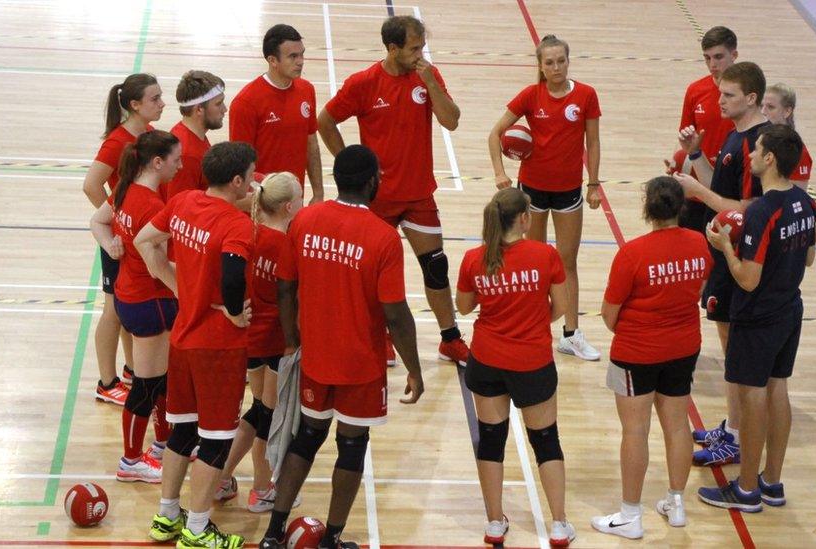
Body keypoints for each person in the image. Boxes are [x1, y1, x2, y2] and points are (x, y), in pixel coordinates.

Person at [257, 145, 425, 549]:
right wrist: (415, 369)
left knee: (307, 438)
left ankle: (273, 533)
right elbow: (396, 315)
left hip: (315, 356)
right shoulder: (384, 238)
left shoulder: (304, 220)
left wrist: (292, 339)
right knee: (351, 445)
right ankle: (332, 538)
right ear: (372, 182)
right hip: (361, 365)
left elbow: (285, 286)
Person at [317, 15, 468, 367]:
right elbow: (325, 121)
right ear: (392, 48)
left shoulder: (426, 75)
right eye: (414, 48)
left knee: (436, 268)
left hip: (418, 197)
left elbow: (452, 120)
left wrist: (431, 81)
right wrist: (351, 165)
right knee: (374, 276)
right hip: (377, 200)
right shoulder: (364, 83)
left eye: (422, 47)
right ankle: (379, 336)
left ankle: (450, 339)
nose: (420, 54)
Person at [135, 142, 257, 549]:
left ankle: (167, 516)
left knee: (182, 432)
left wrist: (182, 289)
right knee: (217, 439)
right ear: (237, 180)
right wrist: (234, 311)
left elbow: (144, 240)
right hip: (217, 347)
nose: (255, 180)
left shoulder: (185, 201)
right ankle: (199, 529)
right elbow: (234, 276)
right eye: (252, 175)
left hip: (183, 338)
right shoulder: (236, 225)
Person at [698, 125, 816, 512]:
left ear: (770, 160)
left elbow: (747, 279)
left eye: (757, 150)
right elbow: (810, 257)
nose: (749, 155)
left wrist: (725, 248)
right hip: (789, 309)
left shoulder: (763, 212)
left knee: (752, 399)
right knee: (778, 389)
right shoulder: (804, 202)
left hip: (758, 315)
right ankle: (772, 481)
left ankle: (746, 489)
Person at [591, 177, 711, 539]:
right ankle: (676, 504)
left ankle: (630, 515)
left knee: (635, 430)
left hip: (636, 352)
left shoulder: (633, 253)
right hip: (684, 347)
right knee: (677, 426)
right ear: (681, 207)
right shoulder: (699, 244)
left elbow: (609, 313)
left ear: (648, 210)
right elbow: (698, 290)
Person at [455, 188, 574, 547]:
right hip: (533, 361)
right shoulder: (544, 255)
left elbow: (462, 307)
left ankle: (494, 523)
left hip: (487, 360)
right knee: (546, 440)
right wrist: (535, 322)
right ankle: (558, 526)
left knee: (491, 442)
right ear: (524, 219)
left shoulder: (475, 258)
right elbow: (561, 306)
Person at [673, 61, 771, 467]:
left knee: (736, 354)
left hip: (739, 258)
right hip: (723, 252)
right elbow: (719, 185)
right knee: (728, 347)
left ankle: (735, 437)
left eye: (728, 96)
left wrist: (697, 191)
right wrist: (696, 156)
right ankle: (731, 426)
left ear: (751, 98)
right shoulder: (736, 136)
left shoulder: (757, 145)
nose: (719, 101)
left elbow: (748, 209)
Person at [488, 34, 603, 362]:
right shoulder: (530, 95)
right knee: (535, 261)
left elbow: (592, 143)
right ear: (540, 66)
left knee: (567, 262)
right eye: (549, 62)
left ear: (568, 61)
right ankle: (534, 329)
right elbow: (494, 134)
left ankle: (571, 335)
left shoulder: (585, 95)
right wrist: (499, 172)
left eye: (561, 61)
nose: (556, 67)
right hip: (532, 191)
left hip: (569, 190)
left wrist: (593, 184)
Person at [90, 130, 181, 483]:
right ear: (157, 163)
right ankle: (130, 461)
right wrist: (187, 294)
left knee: (160, 380)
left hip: (130, 296)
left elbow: (97, 221)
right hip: (150, 301)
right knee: (147, 385)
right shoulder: (151, 205)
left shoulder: (126, 188)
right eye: (176, 160)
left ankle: (161, 444)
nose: (180, 166)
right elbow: (156, 263)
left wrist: (112, 243)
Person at [214, 172, 302, 512]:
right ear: (288, 207)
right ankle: (263, 489)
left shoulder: (245, 231)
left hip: (248, 335)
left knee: (258, 409)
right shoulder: (285, 245)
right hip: (277, 342)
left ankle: (221, 477)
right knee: (270, 415)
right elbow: (288, 297)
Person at [83, 73, 164, 405]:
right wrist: (116, 222)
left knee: (131, 308)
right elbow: (91, 185)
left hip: (132, 239)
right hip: (118, 241)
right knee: (113, 311)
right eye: (155, 99)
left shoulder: (147, 135)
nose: (162, 103)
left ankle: (132, 369)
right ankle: (106, 381)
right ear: (135, 105)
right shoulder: (117, 142)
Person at [230, 24, 324, 204]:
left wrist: (318, 193)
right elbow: (239, 165)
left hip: (294, 201)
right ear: (272, 60)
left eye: (302, 54)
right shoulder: (246, 103)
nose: (301, 61)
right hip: (261, 205)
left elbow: (311, 142)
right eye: (293, 56)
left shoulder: (307, 90)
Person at [671, 26, 738, 232]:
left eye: (718, 57)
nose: (712, 64)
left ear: (734, 55)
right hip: (698, 193)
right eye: (707, 58)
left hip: (731, 194)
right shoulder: (695, 90)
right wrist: (678, 164)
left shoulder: (749, 94)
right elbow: (687, 141)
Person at [164, 70, 227, 201]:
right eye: (218, 103)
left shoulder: (190, 133)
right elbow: (181, 210)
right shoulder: (187, 155)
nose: (225, 109)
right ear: (199, 109)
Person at [761, 83, 813, 189]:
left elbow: (797, 195)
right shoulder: (757, 138)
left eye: (770, 107)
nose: (763, 112)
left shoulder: (798, 152)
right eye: (762, 106)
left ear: (787, 111)